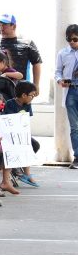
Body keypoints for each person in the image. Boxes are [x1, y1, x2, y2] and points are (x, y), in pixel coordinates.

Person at [0, 14, 42, 89]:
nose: (1, 28)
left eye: (4, 25)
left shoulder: (27, 43)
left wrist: (36, 85)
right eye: (0, 25)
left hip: (22, 88)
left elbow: (36, 63)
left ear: (14, 26)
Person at [2, 80, 41, 186]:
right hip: (10, 134)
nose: (33, 98)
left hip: (22, 134)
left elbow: (27, 121)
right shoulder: (10, 103)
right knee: (23, 146)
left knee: (34, 145)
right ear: (24, 95)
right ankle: (24, 173)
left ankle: (23, 171)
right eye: (32, 95)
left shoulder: (28, 104)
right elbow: (8, 120)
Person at [55, 24, 78, 169]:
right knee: (75, 127)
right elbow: (57, 71)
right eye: (69, 39)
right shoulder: (63, 53)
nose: (72, 42)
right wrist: (60, 80)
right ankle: (77, 157)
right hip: (71, 91)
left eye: (75, 39)